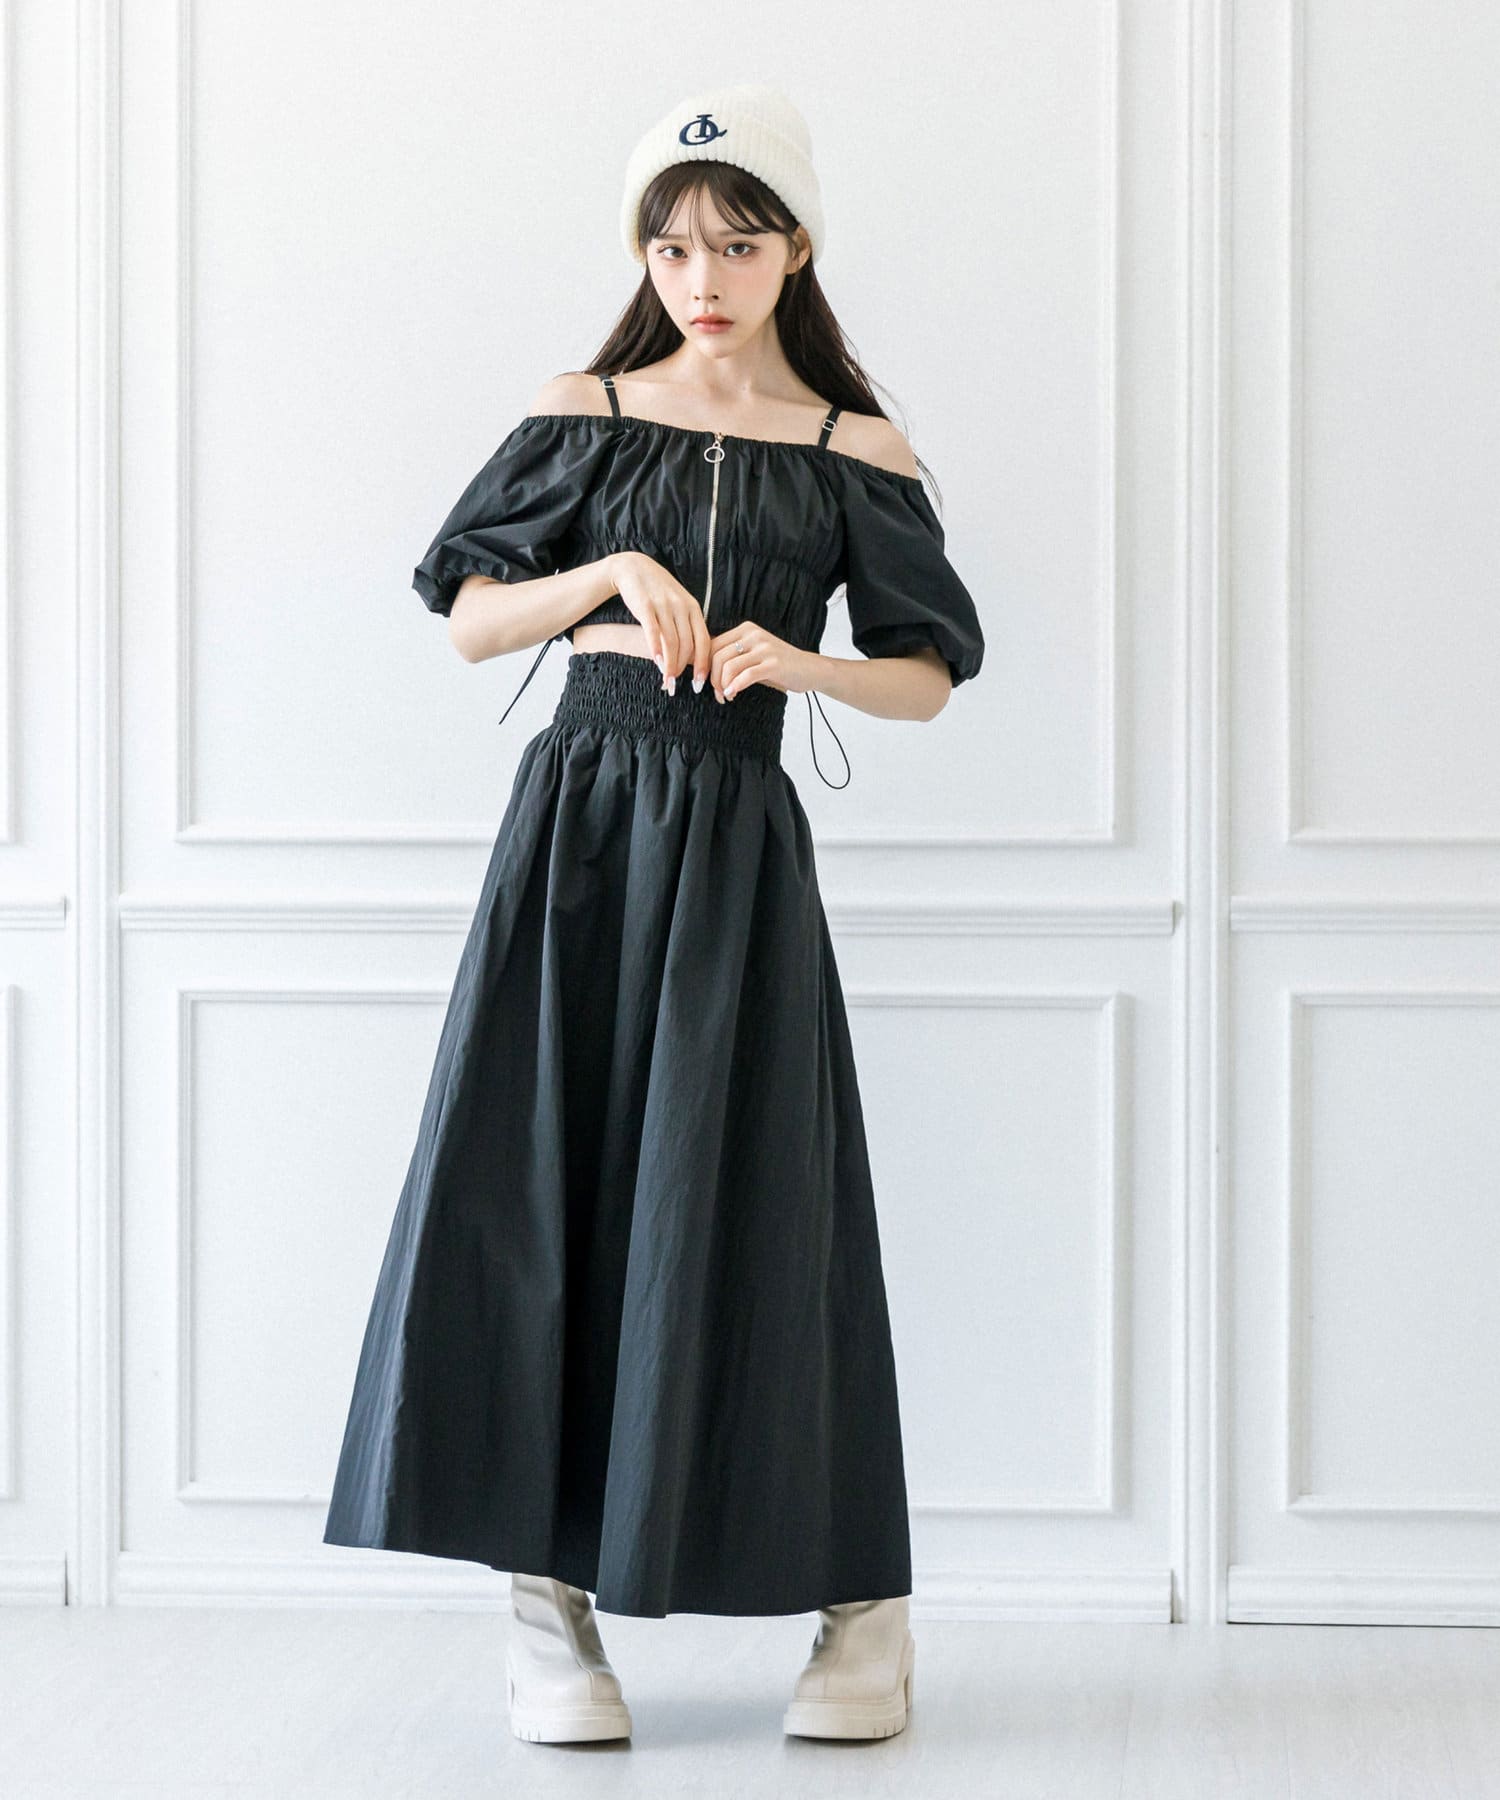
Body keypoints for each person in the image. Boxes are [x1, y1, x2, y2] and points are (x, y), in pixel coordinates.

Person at [322, 82, 985, 1747]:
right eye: (673, 247)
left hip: (740, 852)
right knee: (534, 1187)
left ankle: (864, 1617)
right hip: (577, 837)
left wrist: (801, 661)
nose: (703, 279)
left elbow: (925, 675)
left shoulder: (850, 449)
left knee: (763, 1201)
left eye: (738, 246)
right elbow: (473, 619)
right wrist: (610, 578)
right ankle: (544, 1607)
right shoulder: (585, 413)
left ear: (796, 251)